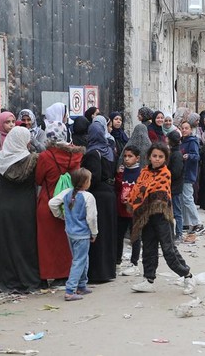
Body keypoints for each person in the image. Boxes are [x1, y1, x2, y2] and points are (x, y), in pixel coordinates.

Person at [128, 143, 195, 295]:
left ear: (165, 159)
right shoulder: (143, 173)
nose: (157, 159)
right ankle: (149, 280)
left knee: (168, 249)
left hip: (162, 216)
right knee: (149, 248)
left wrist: (145, 195)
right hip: (146, 215)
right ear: (149, 157)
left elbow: (159, 194)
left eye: (160, 157)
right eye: (154, 156)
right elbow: (138, 191)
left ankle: (187, 276)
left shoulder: (165, 174)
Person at [0, 127, 40, 294]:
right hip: (25, 206)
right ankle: (28, 279)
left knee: (5, 243)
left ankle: (6, 280)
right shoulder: (33, 159)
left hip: (3, 205)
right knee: (25, 243)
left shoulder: (0, 158)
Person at [36, 121, 84, 286]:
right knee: (65, 241)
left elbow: (38, 179)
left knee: (46, 242)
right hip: (69, 202)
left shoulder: (45, 156)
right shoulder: (76, 155)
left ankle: (45, 275)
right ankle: (63, 275)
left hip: (48, 201)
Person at [48, 168, 97, 301]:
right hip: (82, 234)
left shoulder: (66, 193)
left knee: (81, 258)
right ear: (85, 182)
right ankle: (70, 290)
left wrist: (60, 215)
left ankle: (81, 285)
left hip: (70, 232)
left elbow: (52, 203)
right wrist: (94, 232)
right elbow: (91, 218)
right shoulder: (88, 197)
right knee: (79, 260)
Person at [82, 121, 117, 282]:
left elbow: (93, 177)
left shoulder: (92, 153)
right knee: (108, 233)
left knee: (97, 233)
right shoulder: (109, 150)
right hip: (110, 195)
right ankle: (109, 270)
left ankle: (97, 273)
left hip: (98, 197)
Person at [115, 146, 143, 275]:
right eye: (125, 156)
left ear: (137, 158)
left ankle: (134, 262)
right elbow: (117, 188)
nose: (127, 159)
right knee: (119, 235)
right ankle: (117, 261)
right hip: (121, 209)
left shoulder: (141, 173)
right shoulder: (121, 172)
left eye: (130, 156)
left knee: (135, 237)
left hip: (134, 211)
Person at [179, 121, 203, 232]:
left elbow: (196, 156)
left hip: (188, 173)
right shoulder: (182, 142)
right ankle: (186, 223)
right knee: (183, 199)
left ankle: (198, 223)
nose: (184, 130)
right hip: (182, 173)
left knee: (188, 199)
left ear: (190, 129)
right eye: (182, 128)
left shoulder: (192, 141)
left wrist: (188, 156)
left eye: (186, 128)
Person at [166, 131, 185, 242]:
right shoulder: (174, 153)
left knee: (177, 211)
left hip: (175, 187)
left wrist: (167, 175)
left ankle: (179, 234)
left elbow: (176, 172)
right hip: (172, 186)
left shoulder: (176, 155)